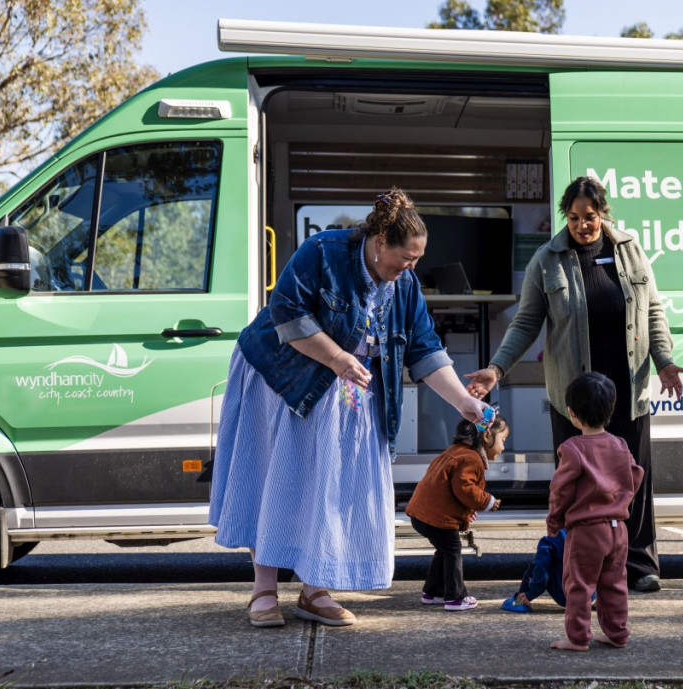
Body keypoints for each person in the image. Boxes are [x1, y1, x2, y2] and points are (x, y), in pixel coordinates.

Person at [209, 188, 489, 628]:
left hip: (341, 391)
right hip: (279, 378)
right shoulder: (323, 252)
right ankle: (263, 590)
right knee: (274, 479)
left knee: (328, 488)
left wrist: (464, 401)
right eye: (407, 257)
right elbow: (287, 315)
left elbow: (425, 349)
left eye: (417, 259)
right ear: (379, 244)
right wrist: (339, 358)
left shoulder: (405, 285)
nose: (412, 268)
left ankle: (314, 589)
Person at [465, 176, 683, 593]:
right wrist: (496, 369)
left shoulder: (629, 250)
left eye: (590, 217)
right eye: (573, 218)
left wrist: (665, 362)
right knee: (579, 482)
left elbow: (653, 311)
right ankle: (583, 566)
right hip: (576, 394)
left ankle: (639, 565)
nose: (583, 225)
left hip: (628, 385)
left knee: (632, 475)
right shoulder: (548, 259)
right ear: (564, 216)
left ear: (603, 213)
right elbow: (526, 321)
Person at [547, 372, 644, 651]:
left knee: (578, 584)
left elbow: (560, 490)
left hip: (587, 530)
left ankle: (577, 638)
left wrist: (554, 520)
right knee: (614, 583)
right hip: (618, 529)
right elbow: (636, 474)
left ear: (571, 413)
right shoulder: (620, 444)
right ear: (610, 410)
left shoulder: (572, 448)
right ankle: (617, 633)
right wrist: (622, 499)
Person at [404, 415, 509, 611]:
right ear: (487, 436)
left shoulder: (457, 452)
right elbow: (464, 488)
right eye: (503, 440)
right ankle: (455, 598)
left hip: (422, 515)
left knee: (444, 551)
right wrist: (487, 501)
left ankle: (433, 592)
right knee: (452, 551)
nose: (503, 447)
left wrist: (466, 511)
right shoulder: (471, 458)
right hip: (437, 518)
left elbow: (450, 493)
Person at [500, 529, 569, 613]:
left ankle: (520, 599)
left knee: (541, 562)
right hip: (587, 595)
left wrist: (530, 595)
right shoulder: (587, 533)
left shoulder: (550, 540)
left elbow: (542, 573)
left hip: (565, 595)